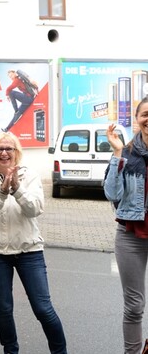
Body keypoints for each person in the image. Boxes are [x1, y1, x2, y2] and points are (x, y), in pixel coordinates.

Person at [0, 132, 66, 354]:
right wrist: (2, 192)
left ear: (17, 152)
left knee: (43, 308)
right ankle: (10, 350)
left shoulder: (30, 175)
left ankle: (60, 351)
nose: (4, 153)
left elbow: (35, 209)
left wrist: (16, 189)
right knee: (3, 309)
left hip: (29, 250)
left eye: (9, 149)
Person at [105, 96, 148, 354]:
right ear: (137, 119)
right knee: (134, 306)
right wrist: (117, 154)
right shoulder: (128, 152)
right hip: (130, 234)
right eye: (145, 114)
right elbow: (112, 194)